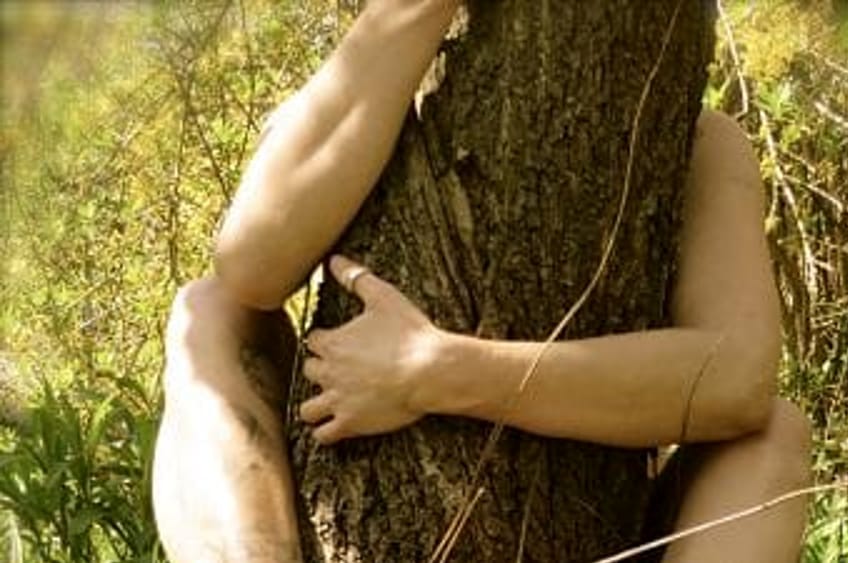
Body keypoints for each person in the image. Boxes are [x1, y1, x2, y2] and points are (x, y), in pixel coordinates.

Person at [152, 0, 813, 561]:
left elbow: (739, 380)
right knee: (208, 315)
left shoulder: (697, 144)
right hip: (312, 511)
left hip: (603, 518)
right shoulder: (378, 70)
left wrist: (437, 371)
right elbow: (250, 264)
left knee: (773, 437)